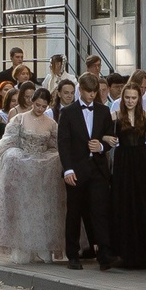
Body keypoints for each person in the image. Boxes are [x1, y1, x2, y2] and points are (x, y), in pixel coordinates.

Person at [0, 87, 66, 262]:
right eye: (37, 105)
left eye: (44, 106)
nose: (40, 109)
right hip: (23, 170)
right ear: (32, 102)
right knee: (24, 209)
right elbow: (8, 141)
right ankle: (23, 248)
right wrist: (9, 156)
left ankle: (43, 248)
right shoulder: (19, 120)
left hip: (43, 172)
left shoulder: (51, 123)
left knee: (43, 210)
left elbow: (57, 145)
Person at [56, 75, 114, 269]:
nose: (91, 95)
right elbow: (63, 144)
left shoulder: (104, 111)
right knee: (74, 212)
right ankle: (72, 255)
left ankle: (104, 254)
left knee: (101, 212)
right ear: (80, 89)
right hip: (77, 170)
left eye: (94, 91)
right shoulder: (68, 112)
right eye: (88, 91)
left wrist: (102, 147)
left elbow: (111, 138)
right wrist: (68, 169)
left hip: (98, 169)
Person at [108, 93, 146, 270]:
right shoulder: (116, 116)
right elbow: (102, 133)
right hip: (123, 162)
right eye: (127, 97)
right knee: (124, 204)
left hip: (143, 162)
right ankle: (125, 254)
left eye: (134, 97)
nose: (131, 100)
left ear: (138, 99)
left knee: (145, 204)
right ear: (123, 99)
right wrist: (106, 139)